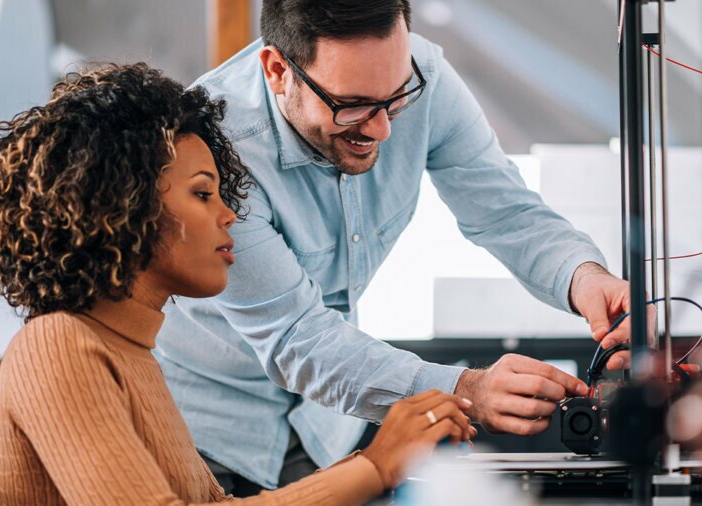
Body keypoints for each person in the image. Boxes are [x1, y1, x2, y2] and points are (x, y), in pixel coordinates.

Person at [155, 0, 639, 494]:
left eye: (395, 99)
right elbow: (299, 338)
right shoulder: (217, 146)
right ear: (279, 70)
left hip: (324, 427)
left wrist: (585, 278)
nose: (383, 128)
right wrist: (465, 388)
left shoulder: (420, 74)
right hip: (209, 430)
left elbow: (506, 211)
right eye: (353, 105)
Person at [0, 62, 474, 505]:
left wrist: (379, 458)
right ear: (119, 209)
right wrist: (376, 466)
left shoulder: (134, 352)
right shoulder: (59, 347)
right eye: (203, 194)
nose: (229, 215)